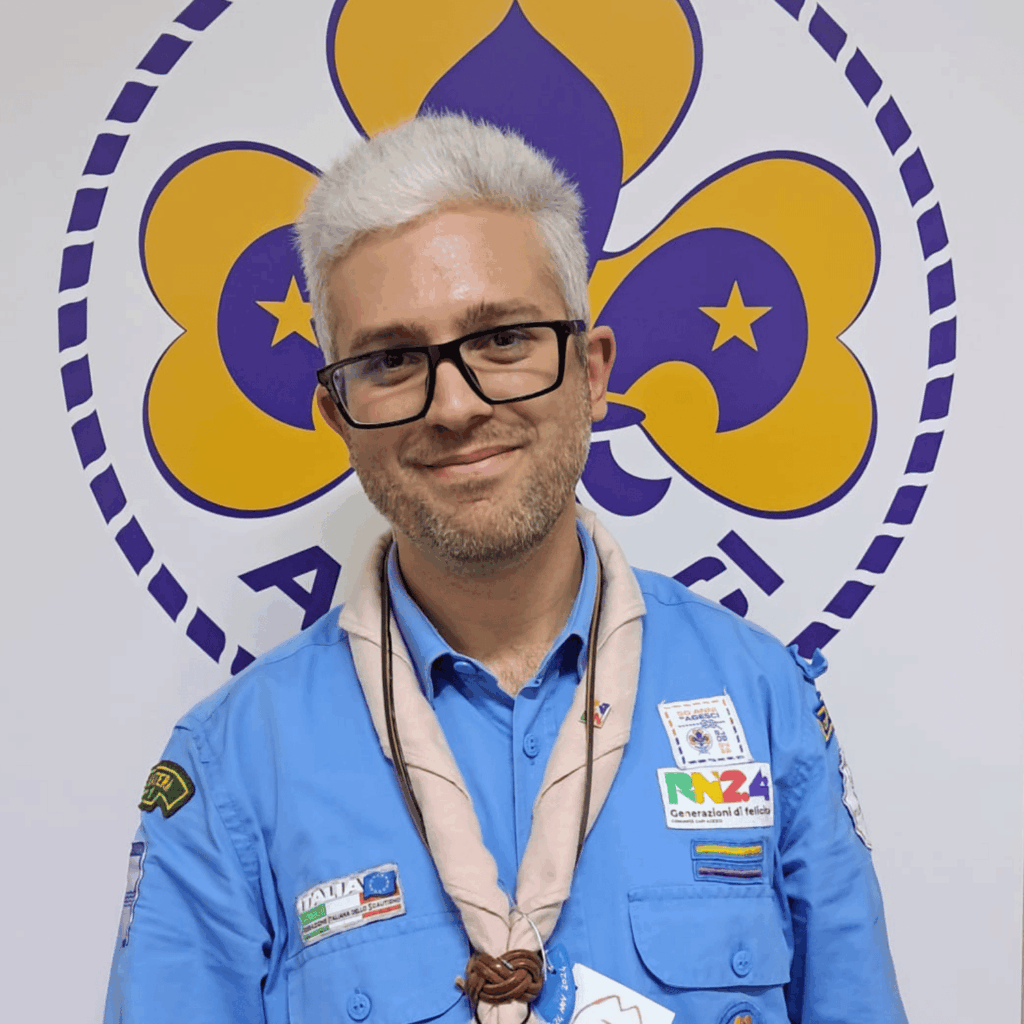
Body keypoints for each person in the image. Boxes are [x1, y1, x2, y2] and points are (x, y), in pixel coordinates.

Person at [104, 114, 907, 1024]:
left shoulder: (764, 704)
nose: (453, 406)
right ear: (337, 415)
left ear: (592, 373)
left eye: (502, 340)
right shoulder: (232, 767)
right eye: (393, 360)